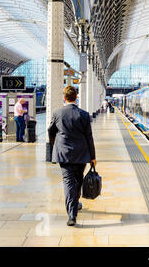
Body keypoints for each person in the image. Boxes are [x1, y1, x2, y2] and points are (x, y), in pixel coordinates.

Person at [48, 86, 97, 227]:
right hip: (81, 154)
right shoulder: (84, 114)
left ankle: (72, 214)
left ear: (64, 98)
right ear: (76, 97)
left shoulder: (57, 113)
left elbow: (51, 131)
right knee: (78, 180)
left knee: (69, 182)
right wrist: (93, 156)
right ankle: (74, 205)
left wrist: (54, 147)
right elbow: (89, 137)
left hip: (63, 154)